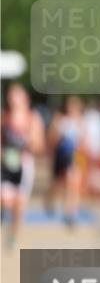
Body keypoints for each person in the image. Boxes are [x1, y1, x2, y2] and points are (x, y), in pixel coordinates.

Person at [1, 83, 45, 247]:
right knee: (5, 199)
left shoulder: (33, 118)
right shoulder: (4, 117)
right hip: (6, 165)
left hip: (24, 166)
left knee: (19, 205)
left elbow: (40, 146)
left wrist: (31, 142)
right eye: (11, 95)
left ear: (25, 98)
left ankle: (12, 235)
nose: (13, 98)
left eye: (16, 95)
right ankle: (3, 213)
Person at [47, 95, 86, 227]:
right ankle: (50, 202)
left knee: (73, 184)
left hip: (76, 156)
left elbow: (85, 140)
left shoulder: (81, 121)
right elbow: (52, 139)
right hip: (61, 155)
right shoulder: (60, 120)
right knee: (57, 183)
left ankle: (70, 213)